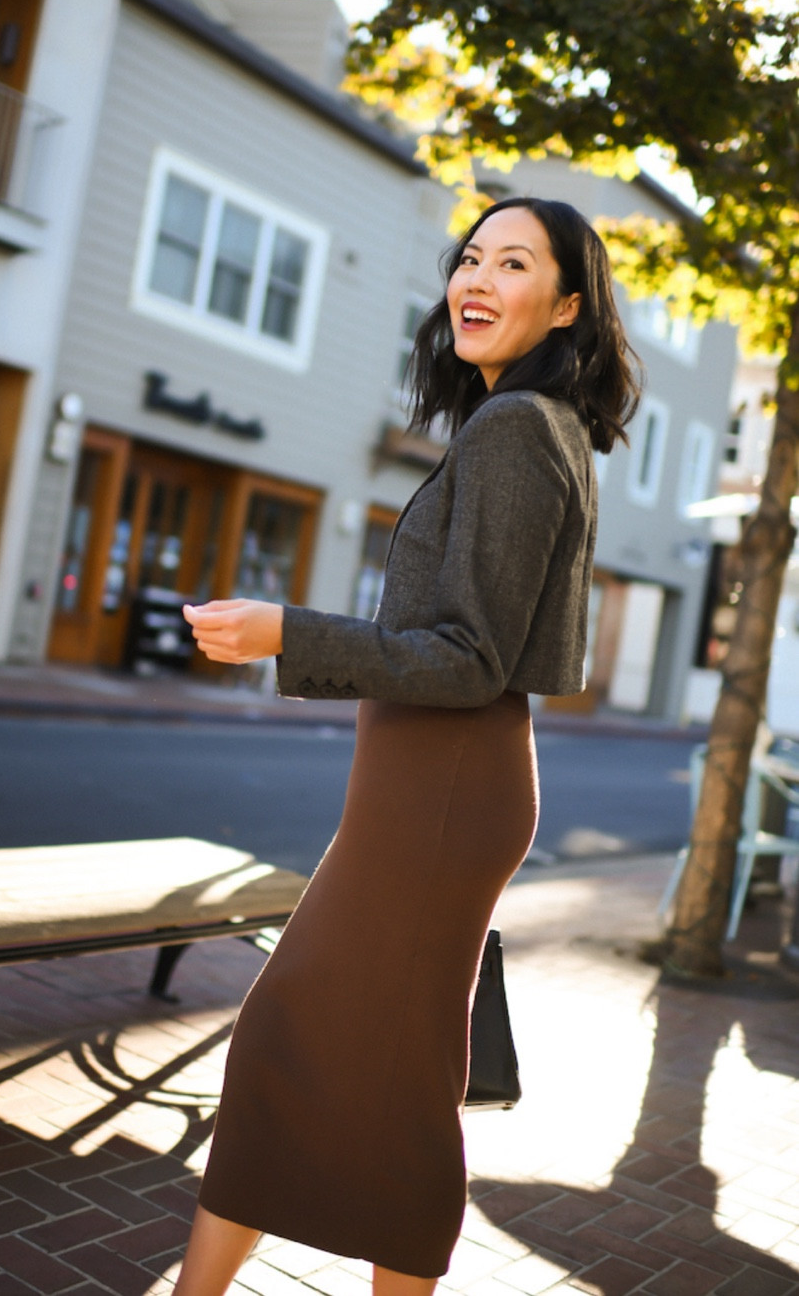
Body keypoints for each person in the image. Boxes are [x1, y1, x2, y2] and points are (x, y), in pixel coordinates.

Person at [177, 197, 642, 1296]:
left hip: (443, 785)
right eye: (469, 258)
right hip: (431, 786)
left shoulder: (518, 432)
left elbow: (471, 657)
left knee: (314, 1042)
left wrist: (285, 634)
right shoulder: (522, 427)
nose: (475, 278)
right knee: (353, 1056)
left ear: (565, 304)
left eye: (512, 263)